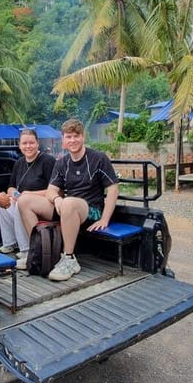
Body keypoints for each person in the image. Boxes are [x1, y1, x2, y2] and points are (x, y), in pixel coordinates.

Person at [18, 119, 119, 281]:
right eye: (68, 137)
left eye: (76, 136)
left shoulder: (98, 158)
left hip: (91, 211)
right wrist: (57, 199)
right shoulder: (62, 163)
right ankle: (41, 251)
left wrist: (105, 218)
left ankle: (69, 259)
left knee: (69, 202)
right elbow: (51, 190)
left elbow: (113, 188)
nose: (72, 140)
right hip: (66, 208)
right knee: (25, 201)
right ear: (63, 140)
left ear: (83, 136)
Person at [0, 128, 56, 270]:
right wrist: (15, 195)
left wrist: (28, 195)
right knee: (1, 205)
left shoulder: (48, 161)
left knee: (21, 204)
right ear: (19, 145)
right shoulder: (19, 163)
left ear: (37, 143)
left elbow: (54, 190)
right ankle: (11, 243)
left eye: (31, 143)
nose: (28, 146)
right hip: (22, 200)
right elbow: (11, 187)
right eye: (24, 143)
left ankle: (27, 250)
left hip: (43, 204)